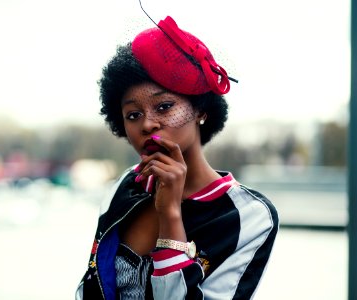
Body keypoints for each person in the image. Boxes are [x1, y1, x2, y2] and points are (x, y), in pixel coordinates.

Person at [76, 15, 279, 300]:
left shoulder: (248, 216)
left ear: (201, 110)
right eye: (133, 114)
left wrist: (170, 214)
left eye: (164, 106)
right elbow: (91, 287)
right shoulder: (126, 185)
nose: (147, 124)